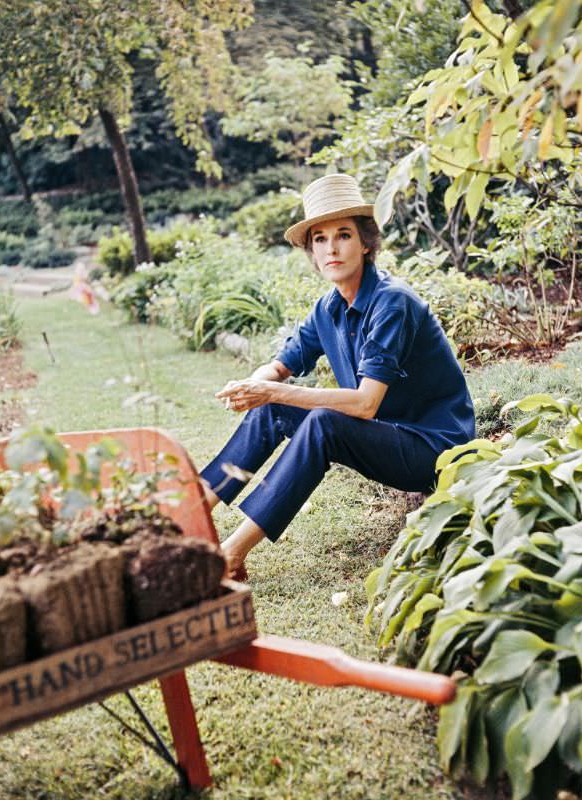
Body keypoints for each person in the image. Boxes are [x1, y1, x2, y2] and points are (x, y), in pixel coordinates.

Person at [199, 173, 475, 578]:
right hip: (386, 435)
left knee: (321, 422)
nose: (331, 248)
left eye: (343, 235)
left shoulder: (391, 303)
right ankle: (191, 515)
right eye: (320, 239)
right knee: (270, 409)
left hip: (432, 448)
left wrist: (273, 390)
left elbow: (365, 404)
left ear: (366, 242)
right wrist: (252, 385)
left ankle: (232, 554)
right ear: (312, 250)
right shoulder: (327, 308)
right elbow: (280, 365)